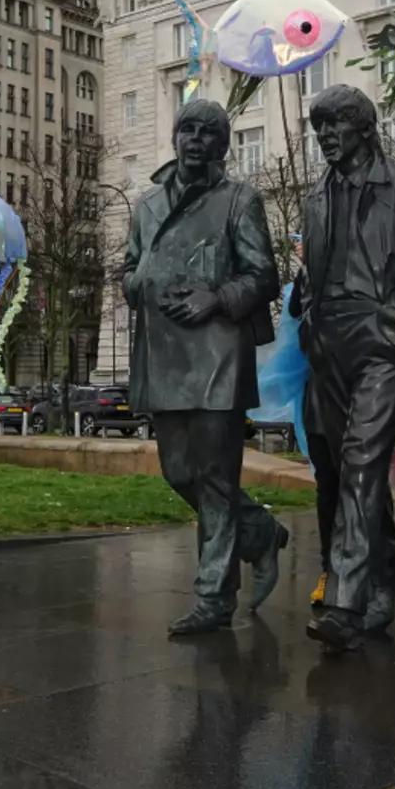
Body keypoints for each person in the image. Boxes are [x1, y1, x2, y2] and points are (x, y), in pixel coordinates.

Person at [295, 85, 395, 653]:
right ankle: (384, 575)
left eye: (335, 126)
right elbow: (311, 274)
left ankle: (344, 598)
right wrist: (308, 312)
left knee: (362, 462)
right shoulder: (315, 196)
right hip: (327, 343)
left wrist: (393, 320)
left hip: (379, 338)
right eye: (319, 129)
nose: (326, 137)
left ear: (364, 127)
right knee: (340, 471)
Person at [124, 98, 287, 635]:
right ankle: (259, 531)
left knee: (216, 478)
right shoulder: (146, 206)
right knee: (178, 472)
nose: (194, 139)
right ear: (175, 137)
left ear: (222, 145)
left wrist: (215, 297)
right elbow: (129, 268)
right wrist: (140, 281)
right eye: (186, 129)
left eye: (207, 132)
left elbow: (263, 274)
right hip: (164, 354)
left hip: (218, 351)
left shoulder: (240, 200)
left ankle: (214, 598)